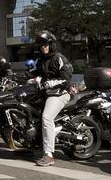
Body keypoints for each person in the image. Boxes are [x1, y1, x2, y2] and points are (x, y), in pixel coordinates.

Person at [31, 30, 73, 167]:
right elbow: (33, 73)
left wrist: (47, 83)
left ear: (51, 44)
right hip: (47, 93)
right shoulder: (41, 60)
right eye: (41, 45)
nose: (43, 47)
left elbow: (66, 79)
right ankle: (30, 145)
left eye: (46, 44)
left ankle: (49, 155)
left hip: (60, 93)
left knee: (46, 117)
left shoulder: (59, 58)